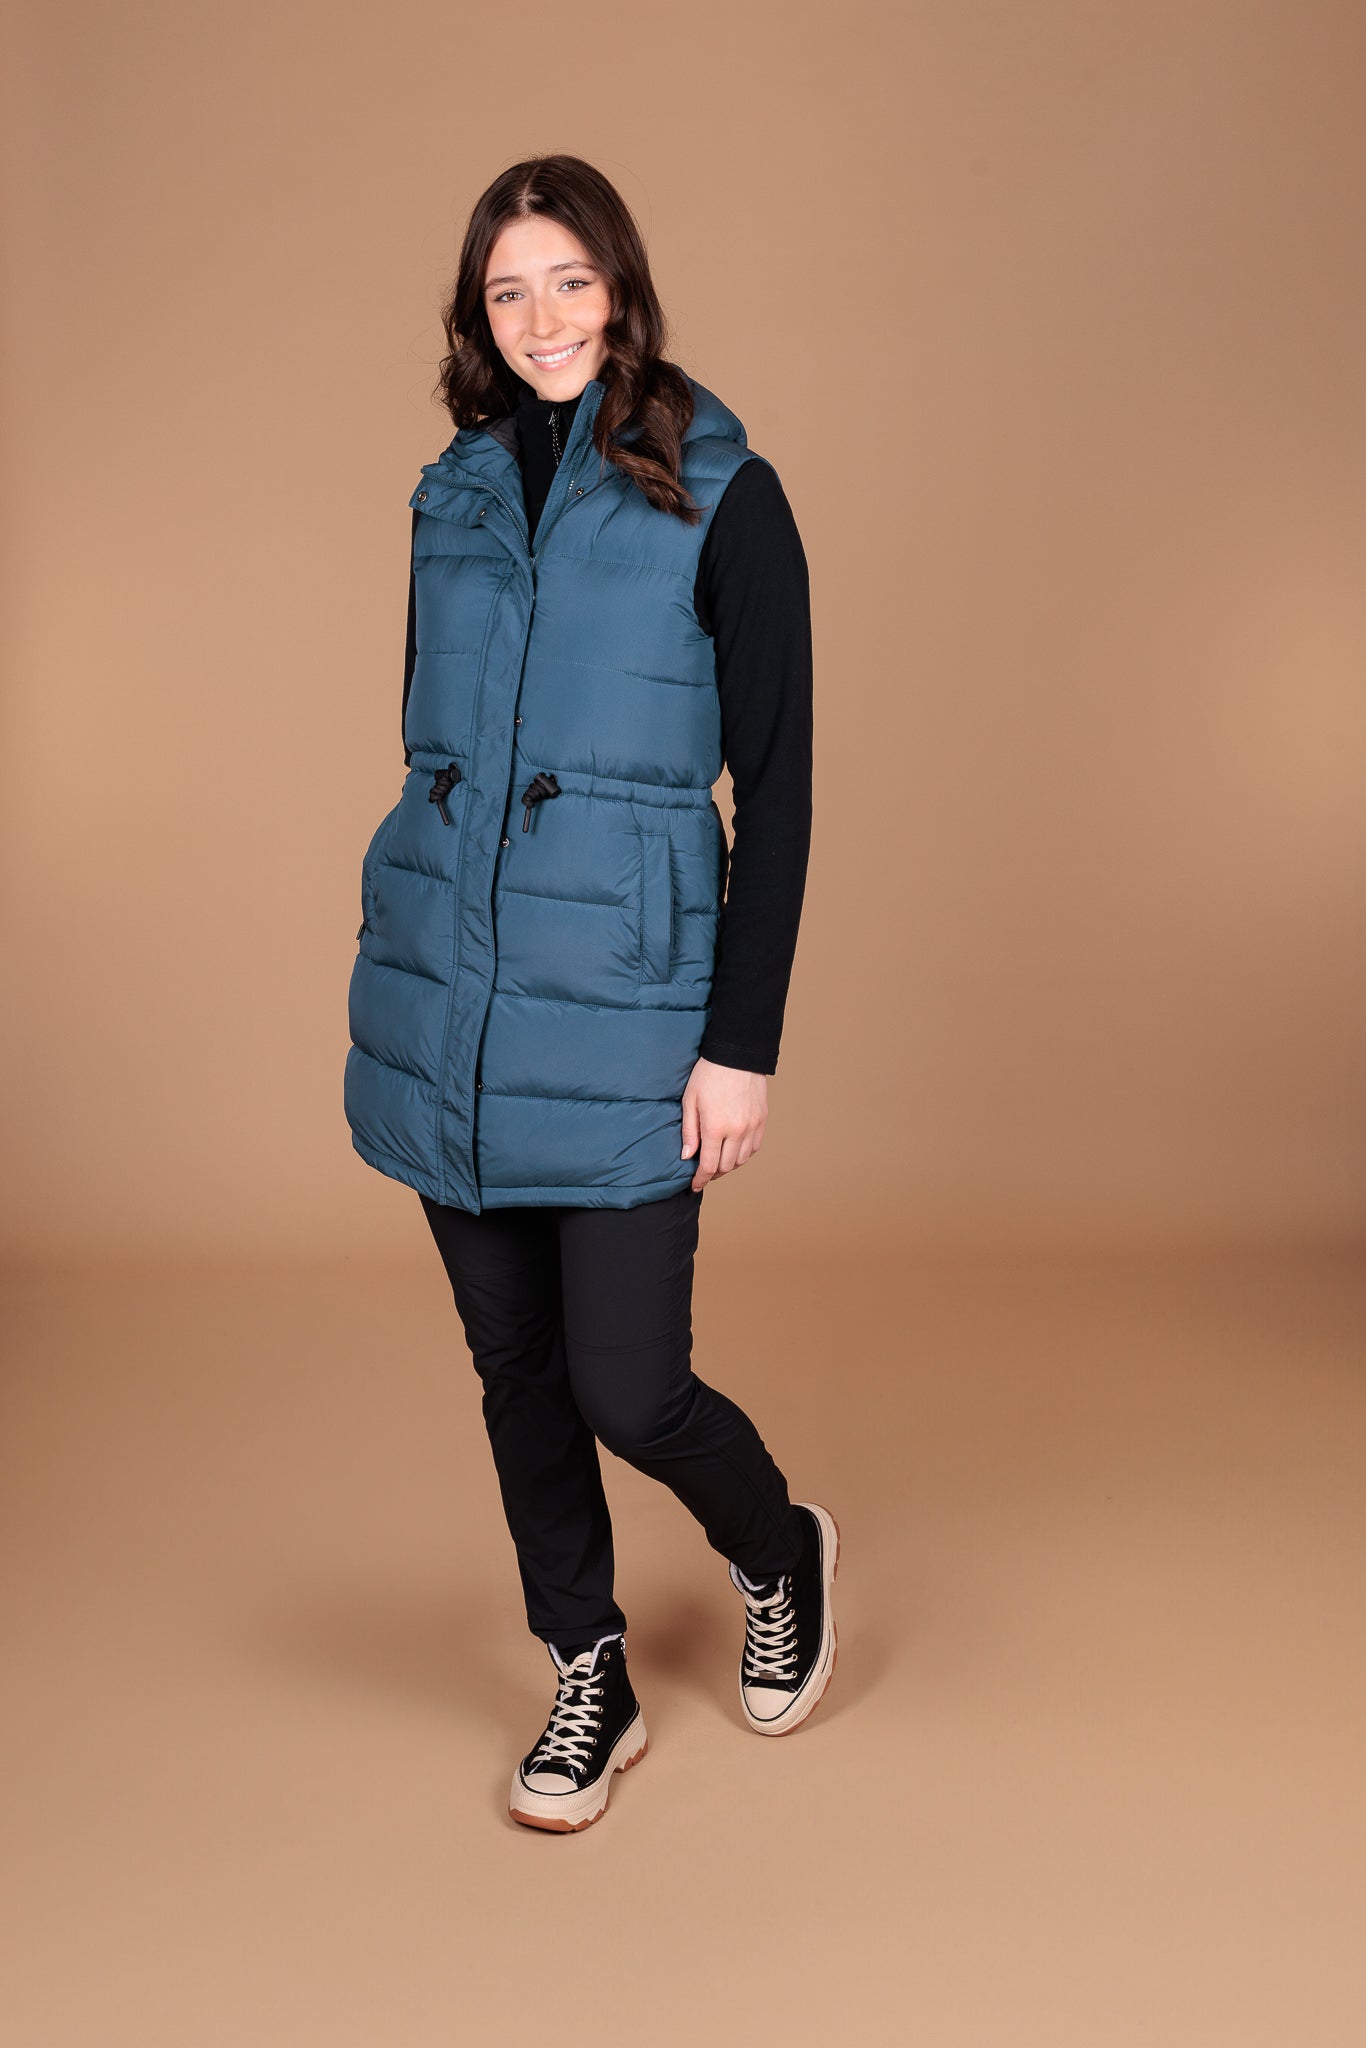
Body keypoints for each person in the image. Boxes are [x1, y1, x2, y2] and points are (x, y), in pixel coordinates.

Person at [344, 155, 840, 1832]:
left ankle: (778, 1551)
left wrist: (738, 1045)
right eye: (508, 291)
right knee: (517, 1374)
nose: (541, 317)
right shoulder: (453, 495)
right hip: (452, 1001)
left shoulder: (724, 490)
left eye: (568, 280)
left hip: (628, 1009)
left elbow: (776, 789)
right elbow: (431, 739)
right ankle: (586, 1666)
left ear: (619, 288)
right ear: (475, 316)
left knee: (628, 1382)